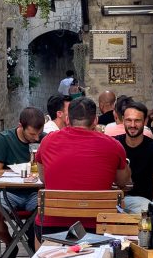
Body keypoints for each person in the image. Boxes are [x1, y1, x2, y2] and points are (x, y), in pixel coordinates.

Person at [35, 97, 130, 236]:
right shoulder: (113, 145)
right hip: (99, 226)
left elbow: (43, 178)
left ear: (68, 120)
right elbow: (123, 181)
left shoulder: (48, 141)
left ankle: (42, 256)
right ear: (95, 120)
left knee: (37, 227)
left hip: (53, 227)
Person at [0, 107, 44, 258]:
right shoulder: (4, 139)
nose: (36, 138)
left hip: (35, 192)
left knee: (48, 211)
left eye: (39, 133)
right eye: (32, 134)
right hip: (9, 192)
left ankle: (35, 243)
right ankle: (11, 243)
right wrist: (21, 170)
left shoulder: (45, 139)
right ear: (20, 126)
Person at [115, 100, 153, 214]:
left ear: (145, 121)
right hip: (116, 201)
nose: (132, 125)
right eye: (129, 120)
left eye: (137, 120)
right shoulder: (114, 144)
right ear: (123, 120)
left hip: (144, 203)